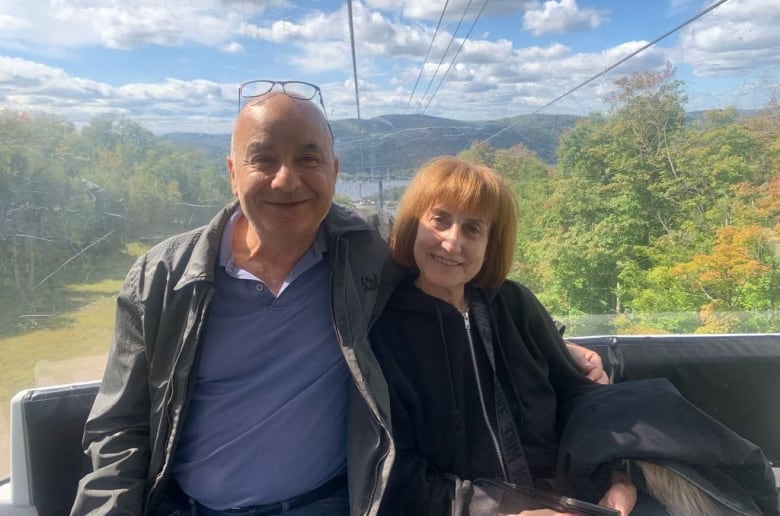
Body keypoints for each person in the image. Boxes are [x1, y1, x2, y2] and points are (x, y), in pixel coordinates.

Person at [70, 82, 606, 516]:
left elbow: (456, 269)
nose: (287, 180)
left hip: (330, 501)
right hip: (190, 507)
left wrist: (557, 347)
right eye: (263, 159)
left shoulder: (369, 250)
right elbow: (120, 429)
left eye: (309, 158)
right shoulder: (163, 279)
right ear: (233, 172)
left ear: (334, 170)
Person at [369, 156, 779, 516]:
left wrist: (615, 477)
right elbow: (396, 470)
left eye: (473, 229)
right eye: (440, 219)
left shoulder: (513, 305)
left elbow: (576, 397)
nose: (452, 241)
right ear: (413, 224)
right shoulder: (385, 332)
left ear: (490, 244)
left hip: (572, 497)